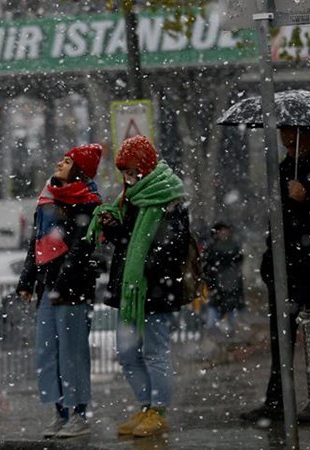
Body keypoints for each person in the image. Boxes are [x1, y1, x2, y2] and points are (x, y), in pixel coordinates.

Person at [86, 135, 189, 438]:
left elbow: (174, 246)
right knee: (127, 351)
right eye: (124, 173)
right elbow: (126, 243)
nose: (128, 178)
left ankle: (158, 410)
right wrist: (112, 228)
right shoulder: (130, 198)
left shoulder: (169, 196)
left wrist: (146, 264)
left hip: (155, 289)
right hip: (130, 289)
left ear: (145, 166)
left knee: (155, 351)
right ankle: (145, 406)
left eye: (132, 171)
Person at [241, 127, 310, 424]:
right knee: (280, 339)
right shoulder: (286, 167)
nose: (289, 146)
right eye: (284, 140)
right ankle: (278, 401)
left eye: (292, 140)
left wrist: (307, 198)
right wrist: (270, 262)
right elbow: (280, 220)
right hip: (289, 270)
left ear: (306, 136)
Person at [16, 144, 104, 439]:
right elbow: (36, 244)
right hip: (47, 287)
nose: (60, 163)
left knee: (72, 352)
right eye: (62, 158)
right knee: (47, 352)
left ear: (79, 170)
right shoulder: (47, 199)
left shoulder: (88, 202)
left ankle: (78, 413)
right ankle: (59, 412)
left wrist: (64, 276)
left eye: (67, 161)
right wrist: (27, 280)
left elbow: (83, 245)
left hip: (73, 289)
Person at [203, 222, 244, 335]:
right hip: (217, 286)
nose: (224, 234)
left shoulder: (233, 247)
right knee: (213, 318)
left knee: (229, 318)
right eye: (221, 231)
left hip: (230, 286)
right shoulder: (212, 248)